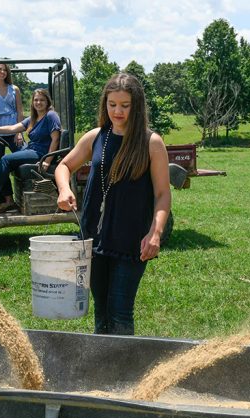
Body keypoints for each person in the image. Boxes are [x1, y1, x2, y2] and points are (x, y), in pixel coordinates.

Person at [55, 73, 171, 335]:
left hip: (131, 241)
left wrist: (156, 233)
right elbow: (64, 165)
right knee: (101, 310)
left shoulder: (151, 142)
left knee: (120, 312)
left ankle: (125, 372)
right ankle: (103, 370)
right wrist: (64, 188)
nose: (117, 111)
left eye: (125, 105)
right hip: (93, 240)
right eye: (112, 104)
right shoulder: (96, 136)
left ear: (137, 106)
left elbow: (163, 194)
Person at [0, 88, 62, 212]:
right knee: (1, 163)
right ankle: (8, 201)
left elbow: (55, 139)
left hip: (41, 154)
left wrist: (47, 160)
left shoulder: (51, 116)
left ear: (47, 102)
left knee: (5, 159)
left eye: (42, 100)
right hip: (32, 149)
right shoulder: (33, 118)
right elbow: (13, 128)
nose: (38, 102)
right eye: (36, 100)